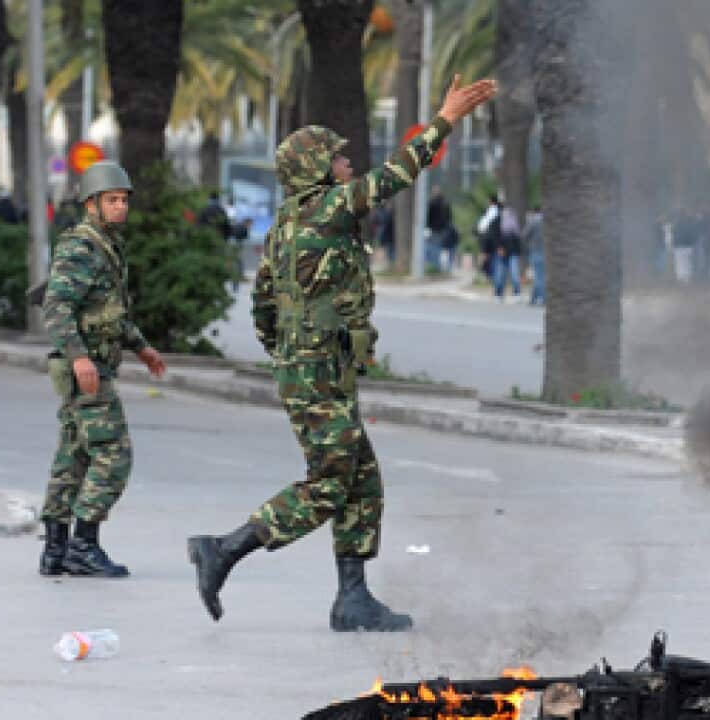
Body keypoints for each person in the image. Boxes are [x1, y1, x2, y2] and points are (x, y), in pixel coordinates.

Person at [186, 75, 497, 632]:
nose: (347, 165)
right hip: (315, 371)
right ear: (316, 171)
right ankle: (224, 550)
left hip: (310, 368)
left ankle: (352, 599)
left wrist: (293, 352)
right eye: (337, 159)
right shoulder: (326, 209)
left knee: (363, 479)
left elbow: (262, 305)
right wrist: (444, 119)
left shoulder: (286, 224)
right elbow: (393, 178)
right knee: (330, 482)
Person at [38, 160, 167, 578]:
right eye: (112, 200)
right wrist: (79, 357)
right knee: (114, 454)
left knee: (74, 455)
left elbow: (108, 313)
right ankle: (83, 544)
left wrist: (142, 348)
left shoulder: (104, 245)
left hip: (90, 366)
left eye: (124, 200)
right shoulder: (81, 247)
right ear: (91, 204)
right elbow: (57, 308)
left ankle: (55, 548)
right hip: (86, 369)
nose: (121, 207)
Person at [494, 204, 522, 298]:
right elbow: (496, 237)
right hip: (502, 252)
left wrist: (518, 252)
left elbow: (518, 240)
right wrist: (499, 248)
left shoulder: (514, 225)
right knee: (501, 274)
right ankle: (499, 292)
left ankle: (516, 292)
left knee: (514, 273)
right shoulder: (498, 223)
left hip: (512, 252)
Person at [425, 186, 455, 272]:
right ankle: (443, 267)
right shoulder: (445, 202)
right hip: (444, 229)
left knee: (433, 248)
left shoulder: (431, 203)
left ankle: (435, 267)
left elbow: (428, 216)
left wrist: (427, 227)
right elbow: (450, 217)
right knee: (442, 249)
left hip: (434, 229)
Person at [523, 206, 545, 305]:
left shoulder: (533, 222)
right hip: (546, 251)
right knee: (541, 275)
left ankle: (542, 298)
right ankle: (533, 298)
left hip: (535, 250)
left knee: (538, 276)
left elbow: (524, 235)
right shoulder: (549, 222)